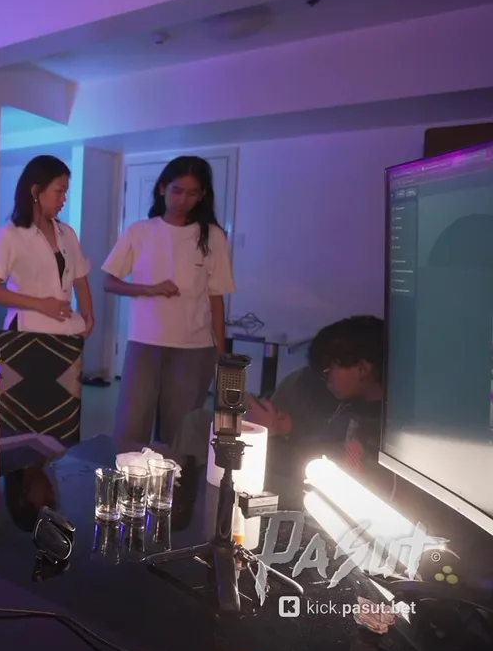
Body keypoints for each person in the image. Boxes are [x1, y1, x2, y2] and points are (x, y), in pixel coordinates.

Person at [103, 155, 235, 448]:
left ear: (202, 195)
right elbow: (109, 282)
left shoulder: (213, 236)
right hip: (145, 342)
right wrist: (149, 289)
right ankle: (128, 476)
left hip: (195, 346)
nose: (183, 200)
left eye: (192, 193)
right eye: (177, 190)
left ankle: (176, 478)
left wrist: (221, 353)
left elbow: (216, 297)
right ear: (163, 188)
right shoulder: (140, 231)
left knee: (179, 431)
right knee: (131, 427)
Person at [0, 155, 95, 397]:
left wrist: (88, 316)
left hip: (66, 335)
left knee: (63, 404)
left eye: (65, 192)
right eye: (59, 191)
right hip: (26, 333)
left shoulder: (67, 234)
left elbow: (80, 279)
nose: (64, 199)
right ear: (35, 190)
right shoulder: (10, 234)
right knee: (27, 402)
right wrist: (41, 304)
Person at [246, 315, 387, 494]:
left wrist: (279, 429)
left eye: (328, 371)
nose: (325, 380)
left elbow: (329, 459)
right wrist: (287, 427)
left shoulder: (382, 427)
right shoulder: (335, 396)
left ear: (363, 369)